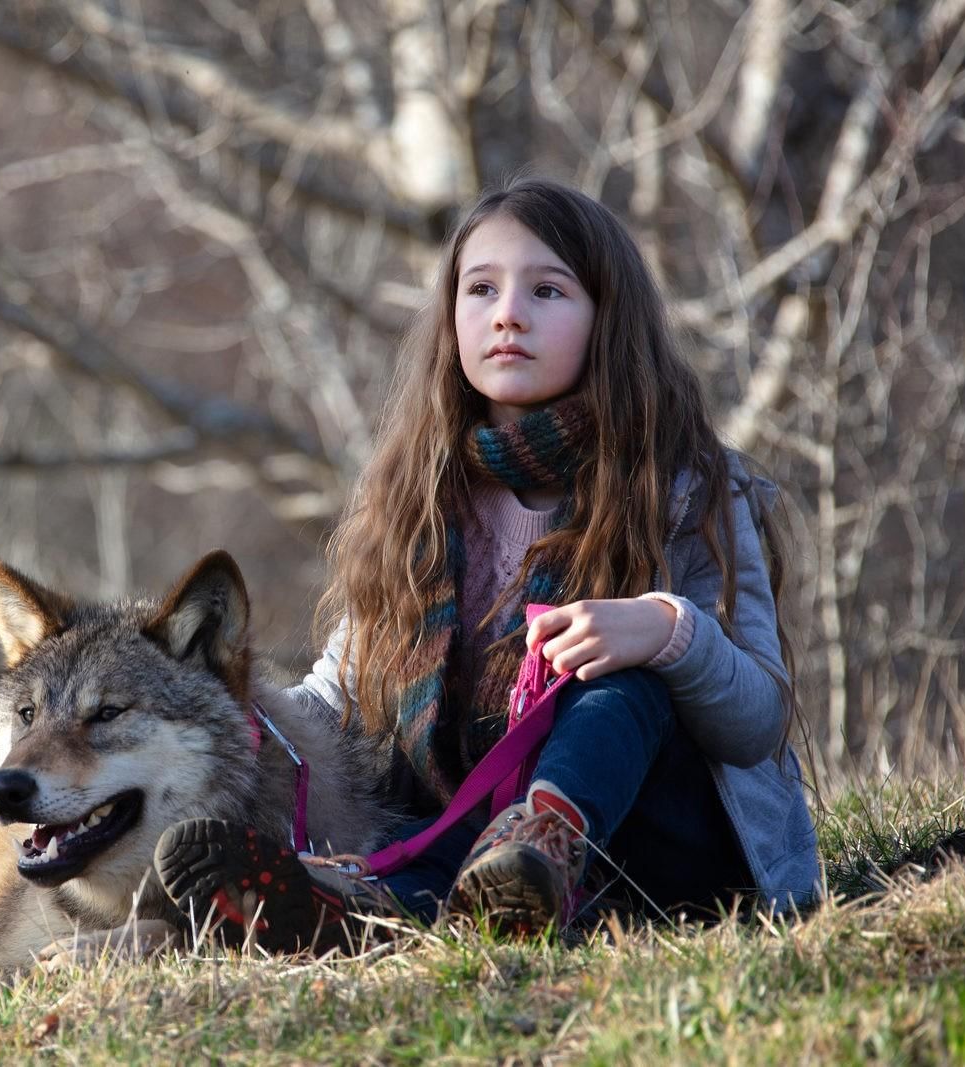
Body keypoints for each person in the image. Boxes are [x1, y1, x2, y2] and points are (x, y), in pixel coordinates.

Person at [153, 177, 820, 952]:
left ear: (609, 318)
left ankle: (539, 841)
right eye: (481, 289)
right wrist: (215, 711)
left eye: (547, 289)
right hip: (467, 861)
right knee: (434, 834)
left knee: (620, 675)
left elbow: (759, 720)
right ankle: (352, 910)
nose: (508, 313)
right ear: (451, 318)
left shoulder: (688, 484)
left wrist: (667, 630)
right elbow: (332, 699)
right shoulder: (416, 496)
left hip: (670, 868)